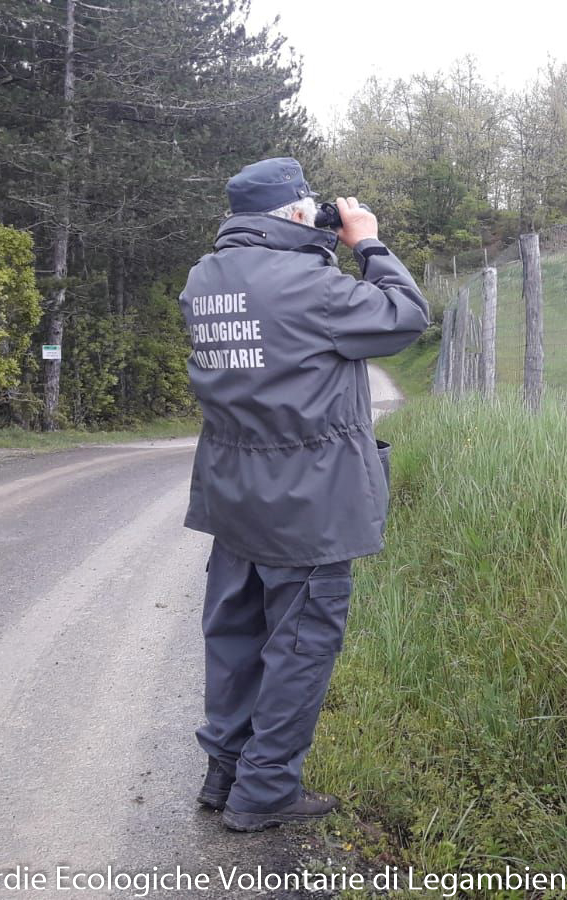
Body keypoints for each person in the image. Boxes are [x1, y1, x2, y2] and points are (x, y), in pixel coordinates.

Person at [177, 157, 429, 832]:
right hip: (308, 504)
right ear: (293, 214)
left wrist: (321, 243)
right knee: (300, 647)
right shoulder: (311, 287)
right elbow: (406, 316)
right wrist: (366, 241)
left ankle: (223, 773)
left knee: (235, 638)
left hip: (233, 495)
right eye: (310, 206)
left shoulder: (205, 279)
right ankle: (264, 792)